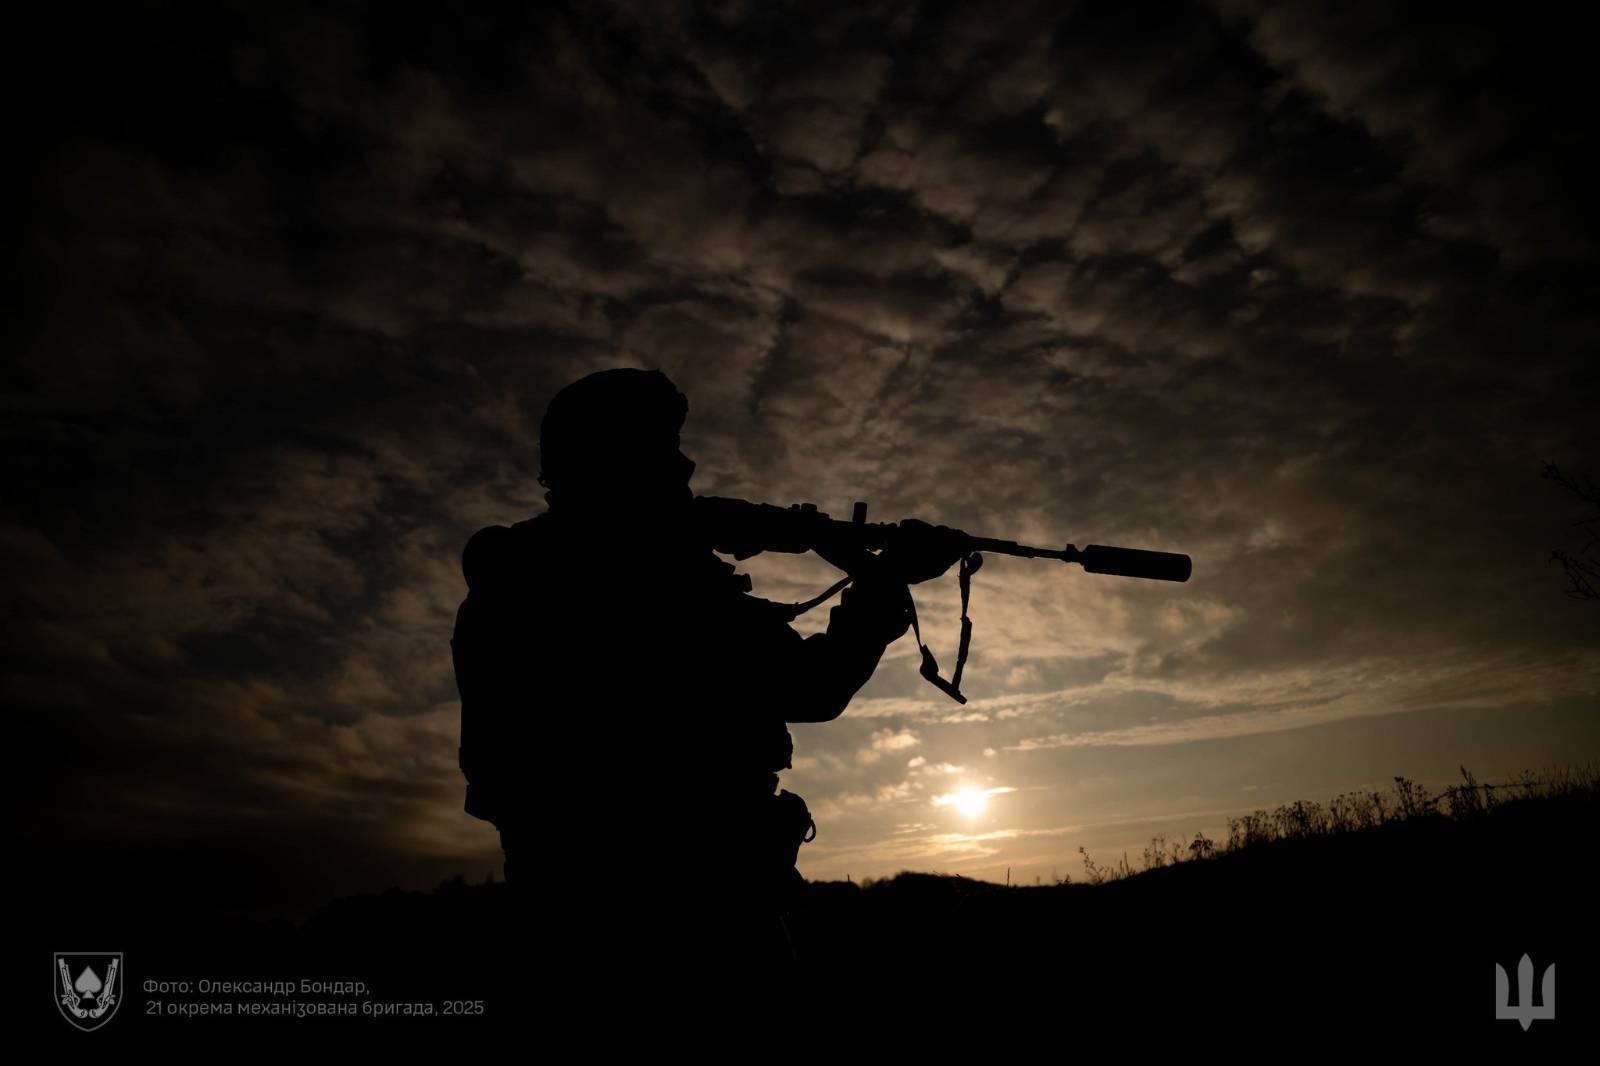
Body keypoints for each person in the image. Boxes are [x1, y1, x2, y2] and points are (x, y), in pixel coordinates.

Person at [449, 367, 964, 999]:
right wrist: (884, 584)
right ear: (619, 460)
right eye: (665, 449)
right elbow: (811, 688)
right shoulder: (650, 584)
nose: (686, 467)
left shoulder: (519, 572)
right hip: (697, 917)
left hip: (563, 907)